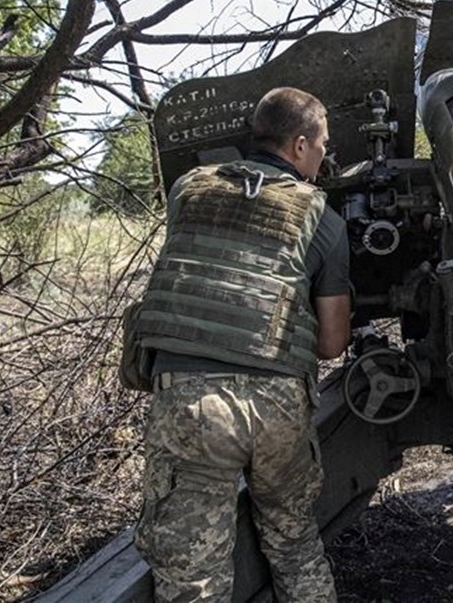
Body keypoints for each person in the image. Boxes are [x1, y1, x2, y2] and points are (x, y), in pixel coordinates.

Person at [129, 87, 351, 602]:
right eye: (322, 145)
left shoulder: (188, 189)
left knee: (193, 571)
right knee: (294, 544)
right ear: (299, 146)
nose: (324, 157)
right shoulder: (324, 219)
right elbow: (333, 343)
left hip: (191, 403)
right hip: (277, 407)